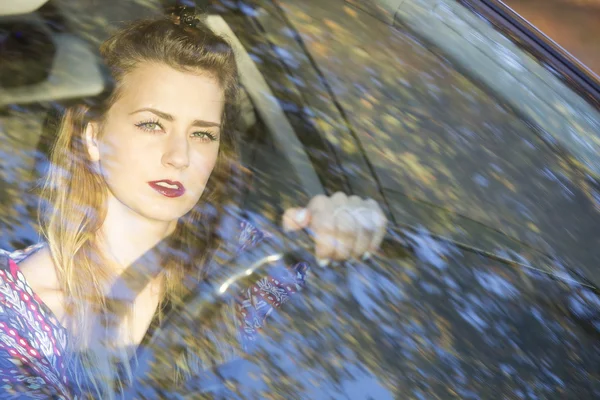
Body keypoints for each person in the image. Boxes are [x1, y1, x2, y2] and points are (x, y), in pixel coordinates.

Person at [0, 7, 387, 399]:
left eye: (202, 134)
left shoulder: (253, 260)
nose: (179, 156)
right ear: (94, 137)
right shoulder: (14, 317)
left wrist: (351, 225)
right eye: (152, 124)